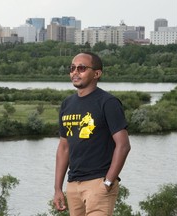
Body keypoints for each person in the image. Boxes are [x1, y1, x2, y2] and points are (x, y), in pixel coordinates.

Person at [53, 51, 131, 216]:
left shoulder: (108, 103)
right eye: (72, 68)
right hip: (73, 184)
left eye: (81, 68)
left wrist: (108, 182)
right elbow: (64, 147)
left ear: (97, 73)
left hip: (98, 182)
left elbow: (123, 145)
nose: (75, 72)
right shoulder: (67, 104)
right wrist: (58, 189)